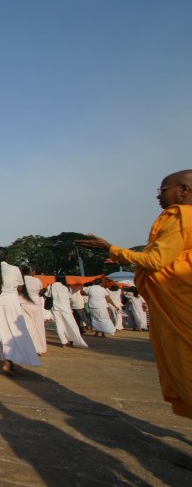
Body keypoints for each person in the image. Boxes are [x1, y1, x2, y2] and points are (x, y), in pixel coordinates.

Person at [77, 169, 192, 417]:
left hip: (181, 303)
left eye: (162, 191)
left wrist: (112, 248)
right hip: (179, 299)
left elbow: (157, 259)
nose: (158, 197)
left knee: (186, 369)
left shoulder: (180, 216)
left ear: (183, 190)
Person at [0, 247, 40, 376]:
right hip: (11, 303)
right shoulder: (14, 269)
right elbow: (20, 287)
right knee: (14, 333)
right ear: (7, 257)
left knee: (1, 332)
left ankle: (10, 361)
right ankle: (8, 362)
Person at [47, 275, 88, 348]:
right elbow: (69, 298)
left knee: (59, 325)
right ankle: (75, 340)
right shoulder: (67, 287)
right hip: (66, 308)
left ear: (55, 279)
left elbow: (47, 295)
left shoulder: (51, 286)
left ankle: (63, 342)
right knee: (72, 324)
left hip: (55, 308)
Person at [19, 265, 46, 355]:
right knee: (39, 325)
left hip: (23, 303)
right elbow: (41, 291)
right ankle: (41, 348)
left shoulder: (20, 280)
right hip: (35, 304)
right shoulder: (36, 280)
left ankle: (32, 347)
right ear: (31, 271)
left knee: (29, 326)